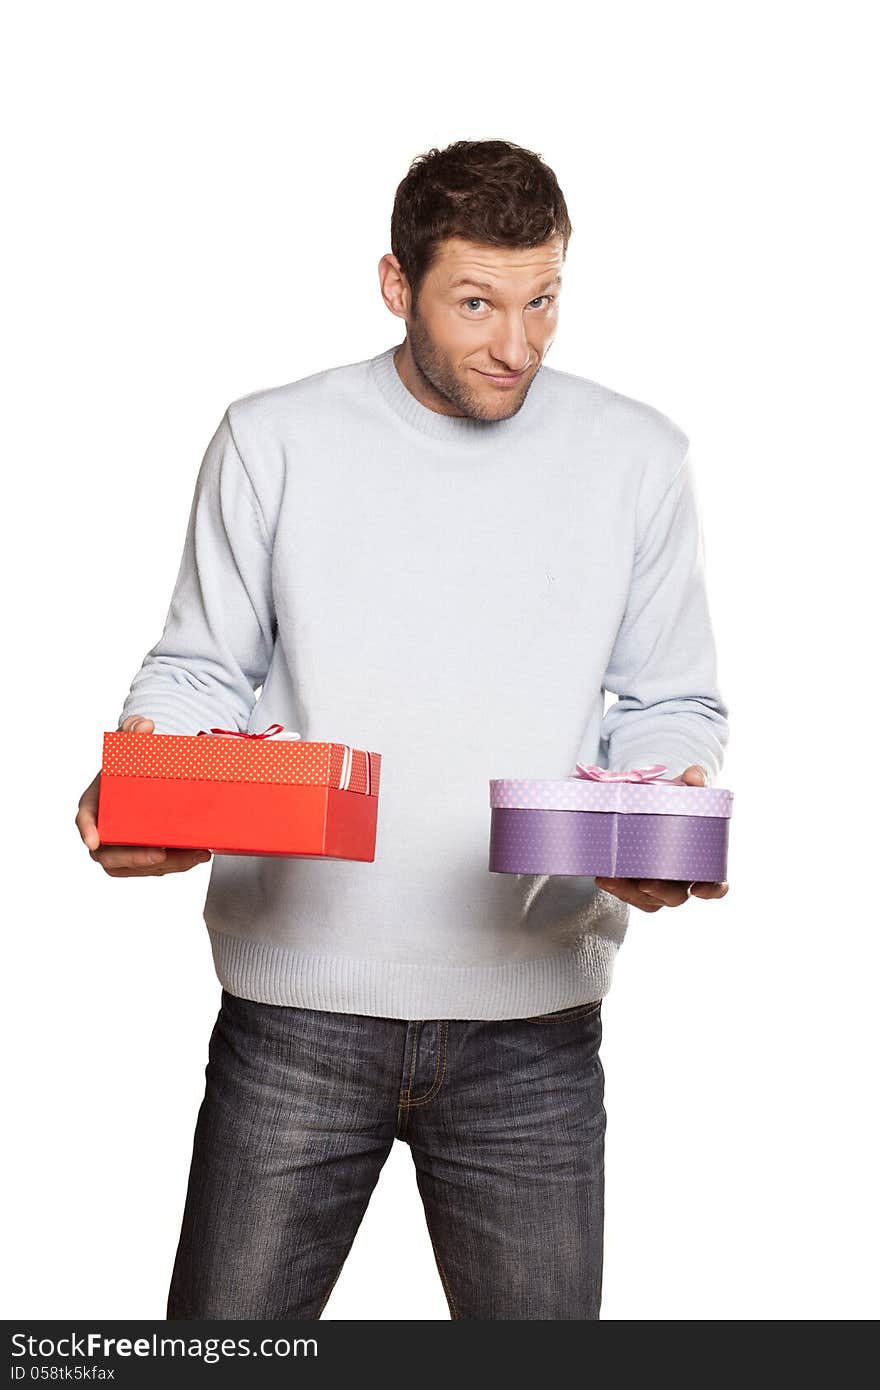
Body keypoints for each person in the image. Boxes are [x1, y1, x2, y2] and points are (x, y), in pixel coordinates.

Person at [75, 138, 730, 1321]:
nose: (516, 345)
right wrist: (143, 777)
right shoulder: (273, 436)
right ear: (396, 284)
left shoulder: (637, 456)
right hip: (296, 1018)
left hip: (530, 1027)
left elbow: (672, 698)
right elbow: (199, 668)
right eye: (476, 303)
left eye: (543, 301)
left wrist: (655, 809)